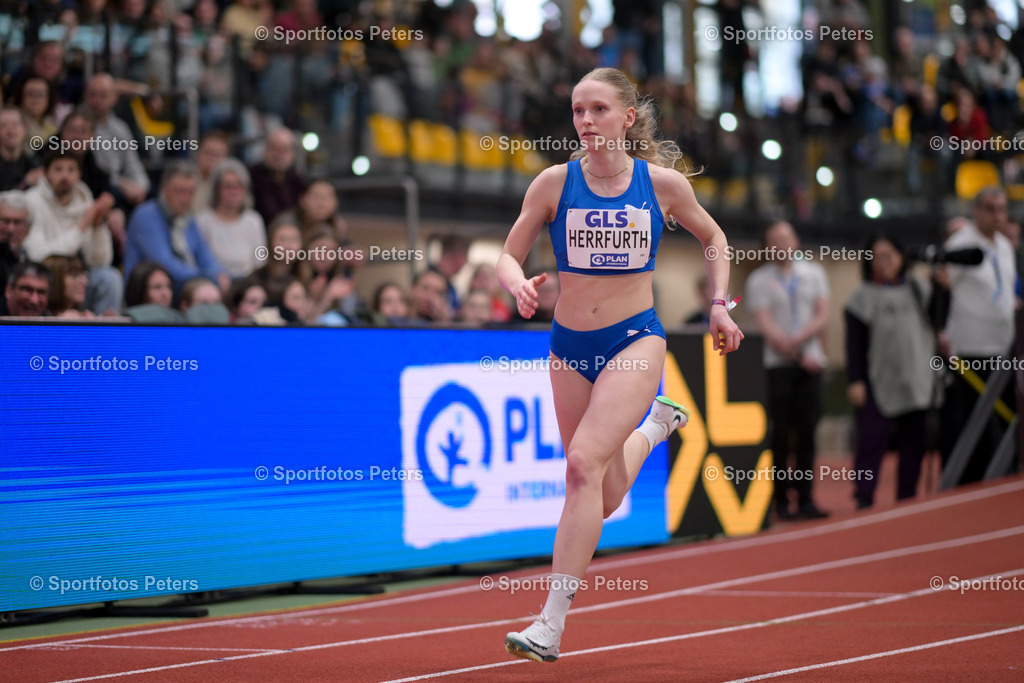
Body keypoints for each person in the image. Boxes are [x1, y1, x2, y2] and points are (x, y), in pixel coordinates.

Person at [497, 67, 742, 663]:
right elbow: (508, 253)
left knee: (581, 465)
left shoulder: (660, 185)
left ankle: (550, 625)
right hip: (568, 348)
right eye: (578, 111)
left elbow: (714, 238)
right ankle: (657, 426)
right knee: (600, 495)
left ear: (627, 118)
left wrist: (718, 305)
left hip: (635, 340)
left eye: (598, 110)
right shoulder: (554, 184)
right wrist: (518, 286)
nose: (585, 122)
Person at [845, 234, 945, 507]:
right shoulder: (861, 297)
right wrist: (856, 380)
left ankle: (907, 497)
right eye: (877, 257)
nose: (884, 262)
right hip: (878, 380)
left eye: (889, 255)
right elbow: (854, 344)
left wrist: (942, 289)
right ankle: (864, 497)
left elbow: (939, 321)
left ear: (902, 258)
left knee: (915, 443)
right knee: (871, 441)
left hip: (916, 378)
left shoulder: (919, 287)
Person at [745, 221, 830, 521]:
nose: (781, 244)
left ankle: (806, 497)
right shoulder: (758, 279)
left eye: (785, 237)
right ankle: (780, 499)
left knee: (807, 433)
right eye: (774, 240)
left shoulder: (814, 273)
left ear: (796, 239)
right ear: (767, 246)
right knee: (780, 434)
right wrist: (794, 351)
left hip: (811, 364)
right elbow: (764, 324)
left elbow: (822, 314)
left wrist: (807, 349)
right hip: (777, 365)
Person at [938, 186, 1018, 483]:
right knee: (977, 419)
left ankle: (1007, 472)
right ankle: (974, 482)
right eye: (990, 209)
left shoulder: (1005, 246)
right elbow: (943, 286)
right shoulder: (961, 244)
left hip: (1006, 345)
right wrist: (942, 332)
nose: (997, 215)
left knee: (1010, 413)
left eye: (1002, 208)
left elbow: (1005, 292)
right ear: (976, 211)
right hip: (971, 348)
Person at [22, 150, 123, 315]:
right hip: (47, 278)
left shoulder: (86, 201)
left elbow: (100, 262)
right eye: (58, 169)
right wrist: (82, 226)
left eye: (71, 170)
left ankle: (105, 335)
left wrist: (97, 227)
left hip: (77, 278)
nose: (65, 176)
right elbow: (39, 256)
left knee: (110, 277)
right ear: (45, 174)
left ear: (79, 175)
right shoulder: (32, 201)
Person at [123, 160, 230, 294]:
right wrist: (206, 277)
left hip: (186, 285)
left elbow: (205, 256)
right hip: (151, 292)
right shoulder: (146, 216)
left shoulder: (187, 218)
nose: (186, 199)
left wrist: (220, 273)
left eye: (190, 192)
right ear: (164, 189)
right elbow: (165, 265)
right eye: (180, 191)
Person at [195, 158, 267, 278]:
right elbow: (202, 261)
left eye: (239, 186)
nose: (234, 191)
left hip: (249, 281)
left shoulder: (254, 220)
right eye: (228, 186)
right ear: (217, 189)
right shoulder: (203, 221)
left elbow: (260, 261)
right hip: (216, 280)